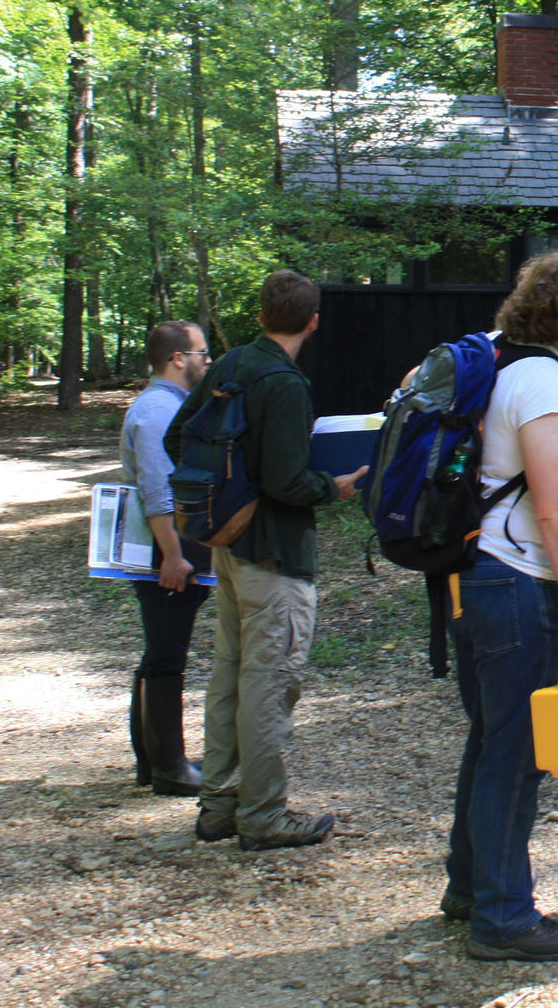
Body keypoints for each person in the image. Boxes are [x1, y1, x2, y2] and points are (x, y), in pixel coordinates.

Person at [443, 247, 558, 962]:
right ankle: (503, 915)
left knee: (493, 743)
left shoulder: (508, 366)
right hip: (521, 585)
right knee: (516, 757)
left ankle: (472, 887)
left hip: (482, 579)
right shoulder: (549, 385)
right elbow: (556, 512)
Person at [163, 269, 368, 852]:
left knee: (230, 675)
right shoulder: (284, 383)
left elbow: (178, 439)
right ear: (312, 322)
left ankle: (219, 804)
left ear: (259, 316)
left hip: (227, 549)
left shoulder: (228, 365)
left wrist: (227, 500)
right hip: (274, 557)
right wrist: (337, 488)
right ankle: (263, 815)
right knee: (269, 685)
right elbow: (286, 481)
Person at [118, 320, 215, 795]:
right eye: (202, 353)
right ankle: (169, 768)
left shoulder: (167, 406)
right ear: (179, 358)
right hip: (166, 549)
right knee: (166, 654)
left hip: (167, 547)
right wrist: (174, 557)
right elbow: (158, 493)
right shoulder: (159, 412)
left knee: (161, 650)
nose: (207, 360)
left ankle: (154, 760)